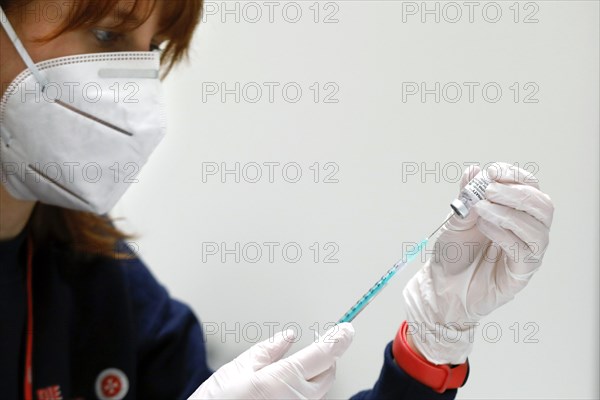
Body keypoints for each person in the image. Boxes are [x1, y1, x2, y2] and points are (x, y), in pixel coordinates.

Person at [0, 0, 554, 399]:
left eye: (154, 50)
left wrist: (430, 350)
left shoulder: (94, 276)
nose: (136, 89)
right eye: (106, 35)